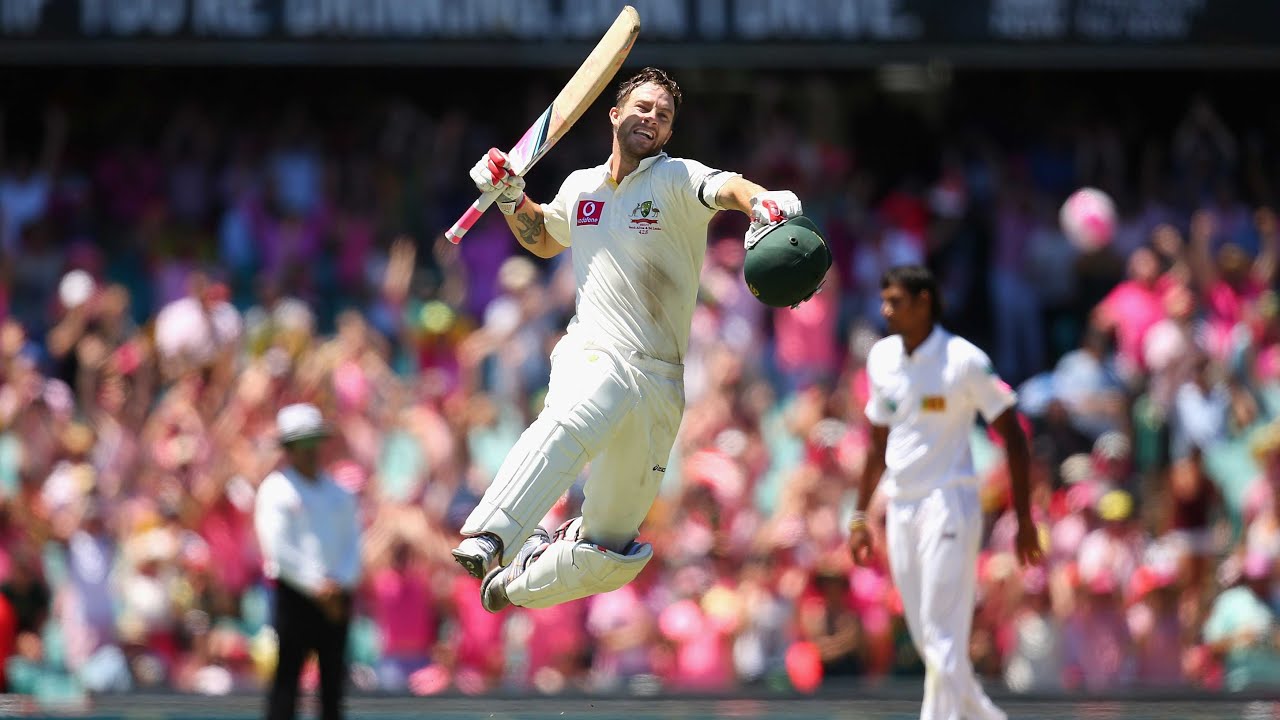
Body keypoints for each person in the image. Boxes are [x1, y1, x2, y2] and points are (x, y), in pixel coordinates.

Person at [450, 66, 824, 613]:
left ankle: (513, 581)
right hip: (594, 353)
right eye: (643, 107)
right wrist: (510, 196)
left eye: (664, 115)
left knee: (610, 553)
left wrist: (761, 200)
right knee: (591, 401)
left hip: (661, 382)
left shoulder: (674, 179)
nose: (652, 118)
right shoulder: (581, 187)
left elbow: (726, 186)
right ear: (615, 114)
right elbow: (544, 237)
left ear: (669, 133)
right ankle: (491, 536)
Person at [848, 265, 1043, 720]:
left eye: (895, 301)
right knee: (928, 637)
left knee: (940, 634)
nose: (885, 310)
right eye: (884, 300)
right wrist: (859, 516)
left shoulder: (964, 360)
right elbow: (878, 442)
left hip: (948, 502)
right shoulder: (881, 358)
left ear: (924, 303)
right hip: (901, 505)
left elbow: (1013, 436)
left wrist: (1025, 519)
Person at [254, 403, 362, 720]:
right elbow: (277, 549)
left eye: (314, 442)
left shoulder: (340, 494)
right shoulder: (275, 490)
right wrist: (319, 587)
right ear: (289, 448)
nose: (310, 451)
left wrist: (338, 584)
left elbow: (353, 546)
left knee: (333, 686)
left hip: (335, 598)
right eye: (303, 444)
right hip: (295, 597)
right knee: (287, 681)